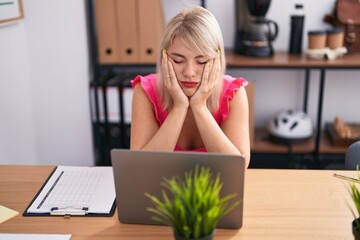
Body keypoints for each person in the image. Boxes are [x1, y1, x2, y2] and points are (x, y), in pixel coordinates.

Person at [130, 6, 250, 167]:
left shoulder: (234, 93)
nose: (189, 72)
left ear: (217, 60)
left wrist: (199, 106)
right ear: (163, 57)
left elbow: (238, 166)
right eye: (178, 60)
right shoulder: (145, 91)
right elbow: (139, 166)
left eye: (201, 62)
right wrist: (179, 107)